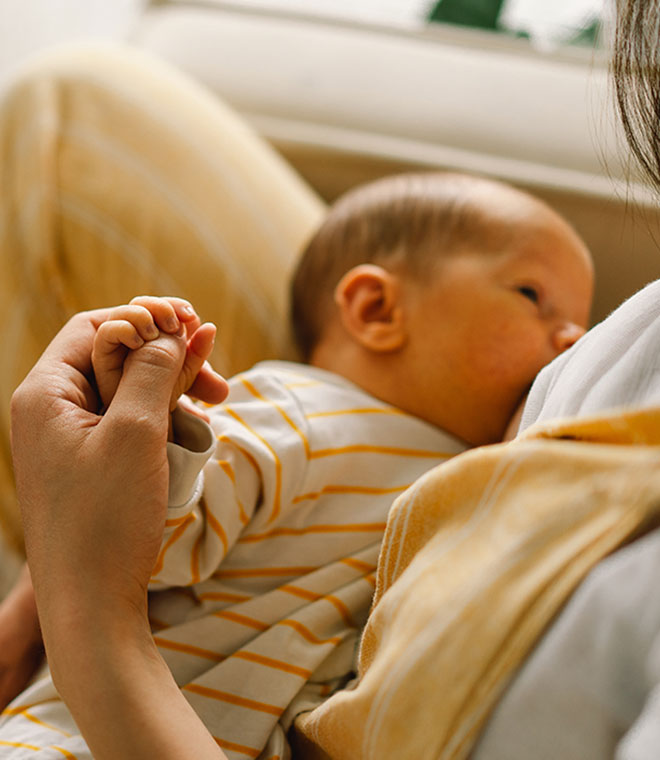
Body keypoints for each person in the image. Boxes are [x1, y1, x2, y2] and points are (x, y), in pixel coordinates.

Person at [1, 170, 593, 758]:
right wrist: (159, 429)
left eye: (584, 324)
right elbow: (134, 540)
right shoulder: (299, 415)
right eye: (534, 297)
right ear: (376, 308)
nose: (575, 339)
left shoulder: (467, 473)